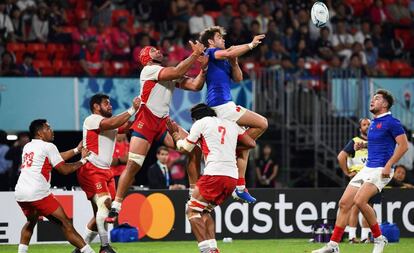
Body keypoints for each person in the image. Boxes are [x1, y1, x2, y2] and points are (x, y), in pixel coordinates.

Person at [106, 40, 206, 222]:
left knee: (195, 147)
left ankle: (193, 195)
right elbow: (177, 71)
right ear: (147, 58)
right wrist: (194, 55)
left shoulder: (167, 73)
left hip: (163, 122)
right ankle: (116, 206)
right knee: (134, 165)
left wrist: (204, 68)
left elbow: (195, 86)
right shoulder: (149, 70)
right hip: (145, 121)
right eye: (153, 50)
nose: (159, 51)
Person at [313, 89, 409, 253]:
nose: (372, 101)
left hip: (381, 169)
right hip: (367, 168)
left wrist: (389, 165)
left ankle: (379, 239)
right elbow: (379, 144)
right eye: (372, 98)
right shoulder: (373, 124)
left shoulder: (392, 122)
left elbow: (404, 145)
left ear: (385, 104)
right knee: (344, 204)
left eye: (377, 99)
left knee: (359, 201)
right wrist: (363, 145)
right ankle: (333, 246)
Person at [168, 103, 256, 253]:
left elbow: (186, 149)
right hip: (231, 177)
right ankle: (213, 248)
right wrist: (229, 147)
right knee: (204, 211)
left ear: (196, 118)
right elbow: (251, 143)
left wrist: (176, 135)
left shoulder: (201, 123)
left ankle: (205, 250)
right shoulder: (231, 124)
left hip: (214, 173)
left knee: (192, 211)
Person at [199, 26, 268, 203]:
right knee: (262, 123)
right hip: (221, 106)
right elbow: (229, 51)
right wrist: (251, 45)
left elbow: (238, 78)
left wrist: (235, 62)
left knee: (245, 149)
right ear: (210, 42)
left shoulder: (225, 58)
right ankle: (231, 149)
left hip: (225, 105)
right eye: (219, 37)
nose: (222, 39)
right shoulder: (211, 52)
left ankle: (240, 187)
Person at [72, 94, 140, 253]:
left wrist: (146, 111)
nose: (110, 106)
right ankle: (104, 247)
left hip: (106, 171)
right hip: (91, 169)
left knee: (101, 214)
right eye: (106, 103)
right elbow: (114, 122)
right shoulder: (92, 119)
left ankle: (80, 249)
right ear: (96, 106)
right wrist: (133, 109)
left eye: (110, 103)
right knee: (105, 206)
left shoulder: (110, 124)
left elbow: (129, 125)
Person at [14, 119, 95, 253]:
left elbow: (55, 158)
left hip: (21, 193)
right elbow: (64, 170)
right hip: (38, 193)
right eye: (48, 128)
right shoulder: (48, 146)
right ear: (40, 133)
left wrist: (76, 150)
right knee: (66, 224)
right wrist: (83, 160)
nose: (52, 130)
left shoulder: (28, 146)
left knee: (30, 222)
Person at [337, 118, 373, 243]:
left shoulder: (374, 142)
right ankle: (352, 236)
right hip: (359, 177)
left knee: (369, 208)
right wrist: (347, 172)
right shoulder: (355, 141)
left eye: (369, 124)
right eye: (364, 125)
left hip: (372, 177)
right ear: (360, 129)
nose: (367, 126)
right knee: (355, 207)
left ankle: (364, 237)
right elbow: (341, 156)